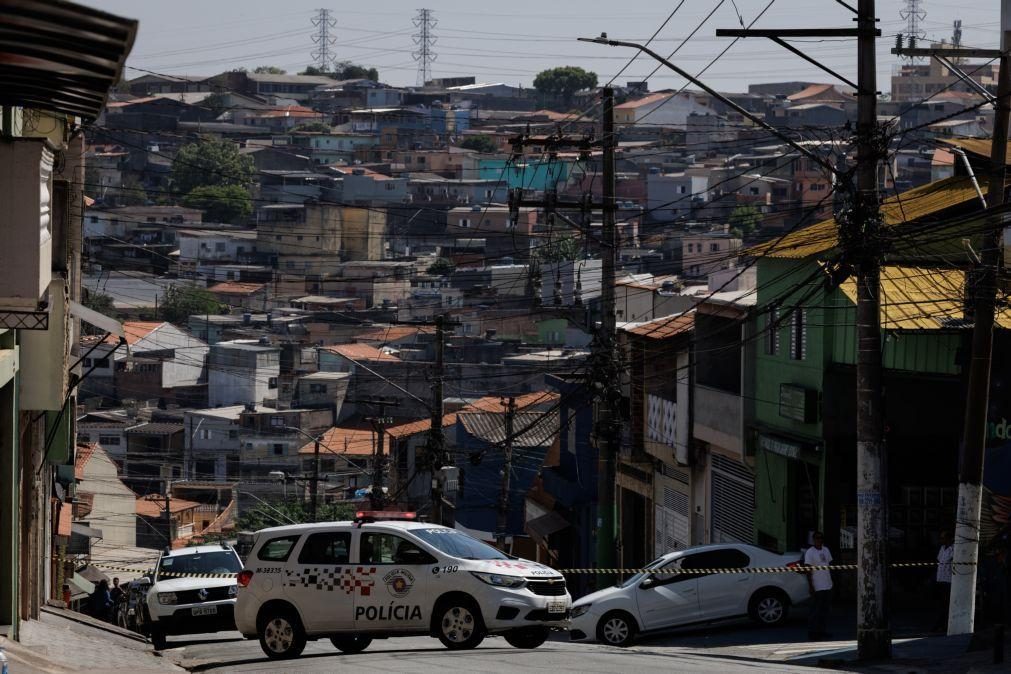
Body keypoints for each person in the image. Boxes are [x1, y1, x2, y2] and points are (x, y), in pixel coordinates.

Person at [804, 531, 833, 641]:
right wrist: (811, 586)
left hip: (827, 585)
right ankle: (812, 632)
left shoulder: (826, 550)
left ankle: (822, 631)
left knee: (824, 610)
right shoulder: (810, 553)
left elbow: (829, 565)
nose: (818, 540)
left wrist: (831, 583)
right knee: (815, 611)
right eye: (816, 538)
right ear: (813, 540)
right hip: (817, 586)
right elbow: (807, 570)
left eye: (820, 538)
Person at [932, 530, 953, 632]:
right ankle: (940, 624)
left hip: (949, 580)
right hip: (940, 578)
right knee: (941, 603)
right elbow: (940, 560)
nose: (941, 540)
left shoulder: (953, 549)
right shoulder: (942, 548)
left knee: (946, 604)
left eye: (943, 538)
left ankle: (943, 625)